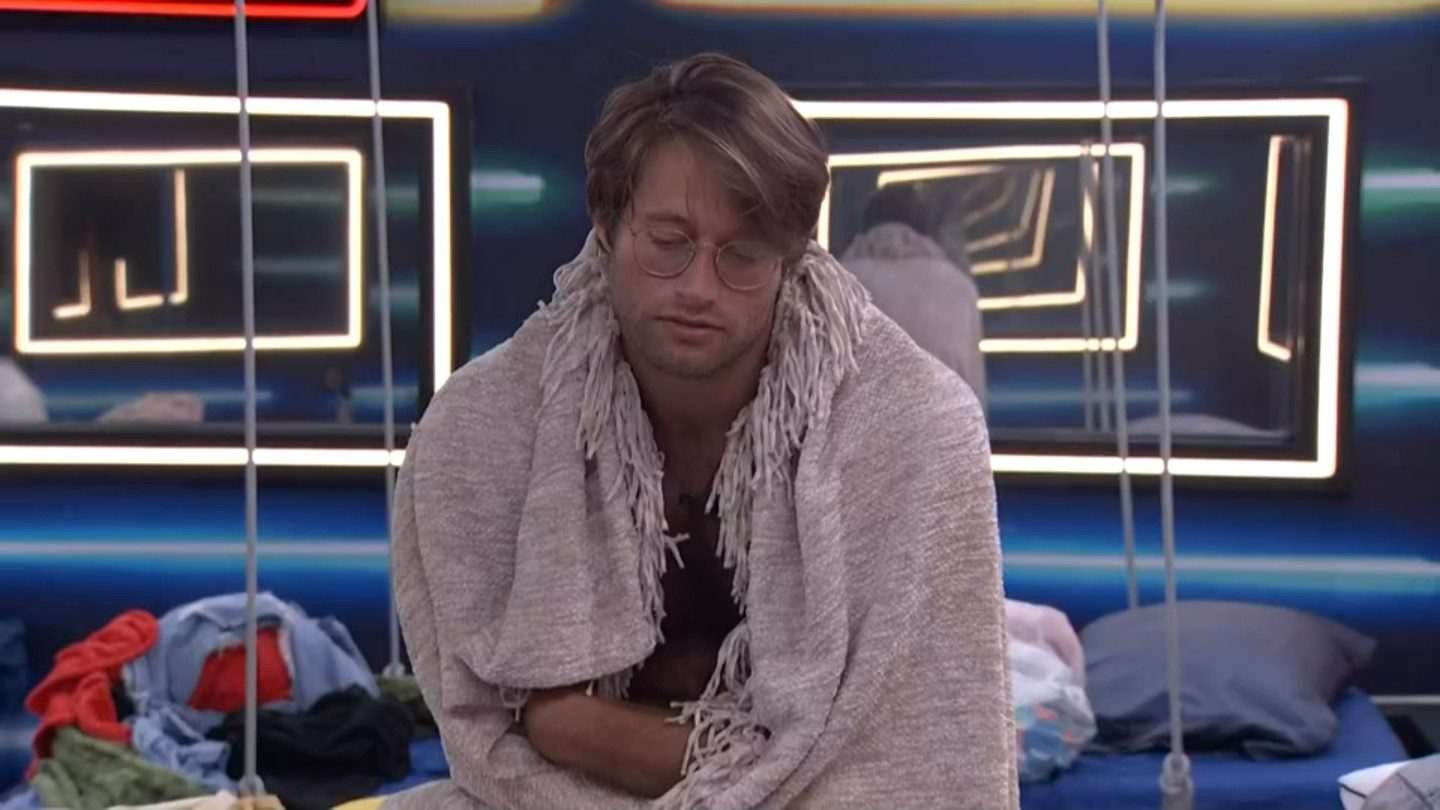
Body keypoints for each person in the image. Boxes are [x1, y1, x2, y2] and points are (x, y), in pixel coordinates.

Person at [388, 53, 1016, 810]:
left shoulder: (916, 431)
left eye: (742, 256)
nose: (698, 287)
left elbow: (910, 763)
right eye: (668, 242)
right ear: (606, 227)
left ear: (791, 260)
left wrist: (572, 726)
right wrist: (758, 761)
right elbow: (491, 740)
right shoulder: (481, 433)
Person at [842, 183, 987, 406]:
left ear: (865, 227)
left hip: (858, 425)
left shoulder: (839, 283)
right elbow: (974, 393)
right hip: (941, 424)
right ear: (925, 230)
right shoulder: (958, 288)